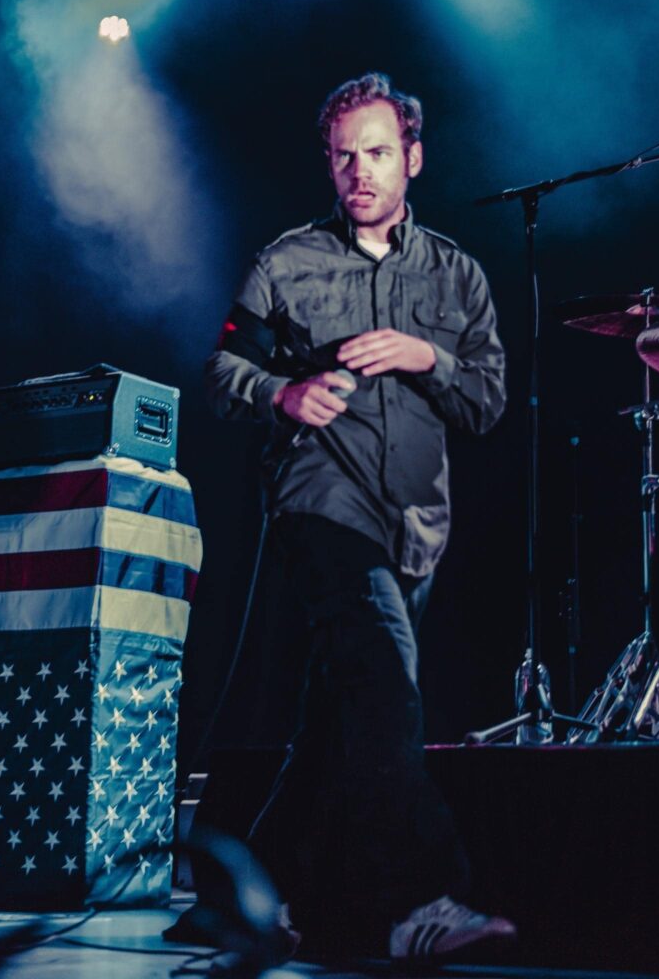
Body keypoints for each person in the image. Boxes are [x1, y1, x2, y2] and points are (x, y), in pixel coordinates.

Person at [191, 72, 511, 962]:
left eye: (376, 153)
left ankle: (248, 890)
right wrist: (281, 394)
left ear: (413, 158)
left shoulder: (456, 275)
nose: (359, 171)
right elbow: (221, 371)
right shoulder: (286, 262)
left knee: (341, 715)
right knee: (384, 679)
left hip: (417, 525)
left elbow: (487, 404)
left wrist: (425, 356)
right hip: (320, 504)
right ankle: (419, 902)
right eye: (343, 157)